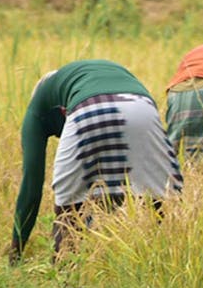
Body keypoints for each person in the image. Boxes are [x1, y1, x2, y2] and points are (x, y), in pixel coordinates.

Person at [10, 60, 184, 262]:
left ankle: (66, 279)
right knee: (160, 198)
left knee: (69, 214)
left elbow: (31, 183)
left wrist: (17, 250)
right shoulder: (95, 74)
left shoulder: (37, 107)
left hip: (88, 109)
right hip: (143, 108)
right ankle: (163, 263)